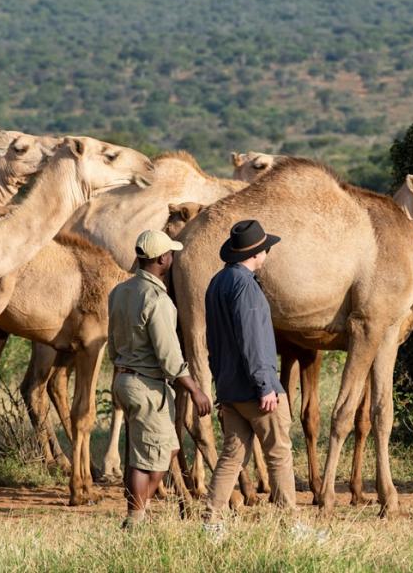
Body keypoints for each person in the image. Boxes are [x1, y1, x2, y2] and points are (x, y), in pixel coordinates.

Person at [108, 229, 211, 529]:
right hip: (147, 386)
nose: (173, 258)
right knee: (148, 461)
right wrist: (195, 390)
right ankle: (134, 523)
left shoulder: (120, 292)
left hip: (125, 380)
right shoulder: (158, 300)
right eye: (171, 254)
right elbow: (168, 356)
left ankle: (139, 515)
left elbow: (113, 344)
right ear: (162, 259)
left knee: (161, 449)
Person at [202, 219, 296, 529]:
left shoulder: (218, 282)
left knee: (232, 456)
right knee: (279, 454)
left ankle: (211, 521)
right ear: (258, 252)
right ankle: (289, 525)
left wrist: (222, 386)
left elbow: (214, 341)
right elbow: (252, 339)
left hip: (230, 388)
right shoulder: (245, 285)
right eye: (266, 248)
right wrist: (265, 385)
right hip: (256, 389)